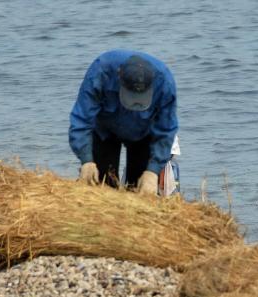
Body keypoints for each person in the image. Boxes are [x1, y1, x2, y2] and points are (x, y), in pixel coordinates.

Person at [69, 50, 179, 195]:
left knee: (140, 190)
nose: (135, 105)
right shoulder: (101, 72)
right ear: (119, 77)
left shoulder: (165, 83)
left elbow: (166, 130)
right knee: (102, 186)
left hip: (144, 133)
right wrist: (86, 160)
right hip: (105, 131)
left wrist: (153, 171)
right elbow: (82, 119)